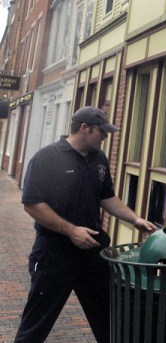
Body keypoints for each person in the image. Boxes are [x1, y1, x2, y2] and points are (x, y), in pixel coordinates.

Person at [14, 106, 157, 343]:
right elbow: (32, 204)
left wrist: (134, 219)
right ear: (84, 128)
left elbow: (106, 196)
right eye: (102, 132)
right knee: (35, 325)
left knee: (110, 319)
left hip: (92, 253)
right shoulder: (47, 158)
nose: (105, 137)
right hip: (54, 253)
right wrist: (71, 231)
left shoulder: (98, 158)